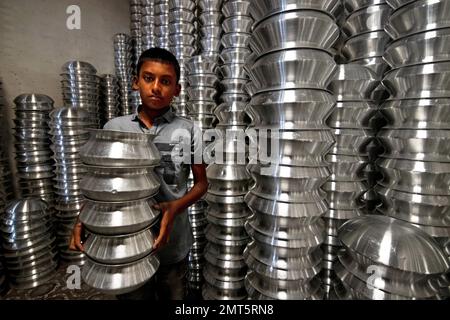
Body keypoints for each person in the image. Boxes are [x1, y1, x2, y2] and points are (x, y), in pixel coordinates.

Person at [69, 48, 208, 300]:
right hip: (124, 244)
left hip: (172, 241)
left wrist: (173, 207)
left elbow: (201, 184)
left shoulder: (189, 130)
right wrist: (82, 220)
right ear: (136, 82)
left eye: (165, 81)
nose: (156, 87)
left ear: (176, 89)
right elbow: (101, 184)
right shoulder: (115, 128)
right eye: (148, 78)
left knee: (173, 294)